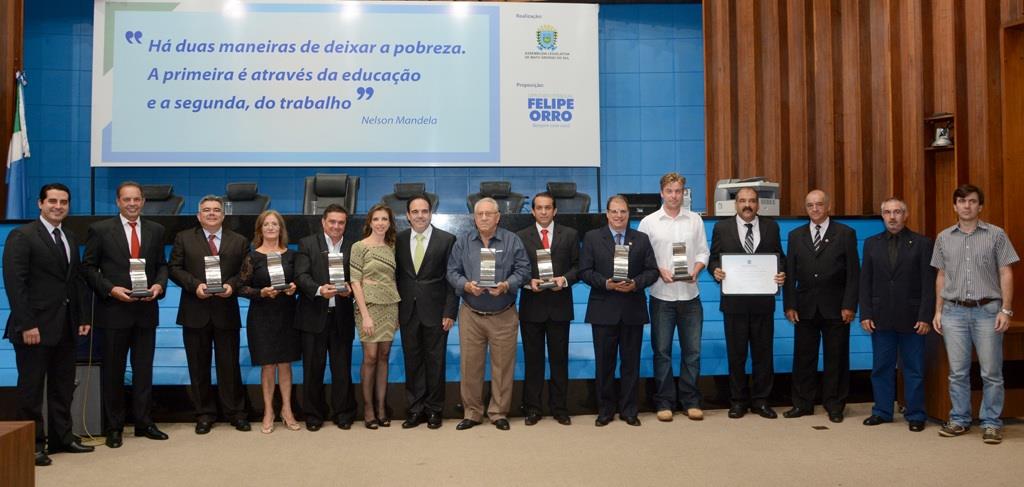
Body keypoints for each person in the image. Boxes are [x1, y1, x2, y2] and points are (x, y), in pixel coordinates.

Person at [3, 183, 94, 466]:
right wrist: (26, 324)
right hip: (34, 328)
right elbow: (15, 284)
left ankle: (61, 437)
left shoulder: (68, 235)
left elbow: (75, 281)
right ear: (40, 204)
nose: (58, 206)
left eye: (64, 202)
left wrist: (82, 318)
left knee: (62, 387)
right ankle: (31, 444)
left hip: (65, 326)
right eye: (52, 201)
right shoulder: (22, 235)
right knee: (30, 390)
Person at [82, 181, 169, 447]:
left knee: (144, 370)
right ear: (118, 202)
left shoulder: (156, 230)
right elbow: (88, 268)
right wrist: (110, 290)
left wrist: (159, 285)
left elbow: (161, 266)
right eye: (126, 199)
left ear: (143, 201)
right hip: (113, 312)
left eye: (136, 199)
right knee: (113, 371)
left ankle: (144, 423)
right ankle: (114, 427)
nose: (132, 204)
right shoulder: (100, 230)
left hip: (145, 312)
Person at [932, 184, 1019, 444]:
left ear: (980, 206)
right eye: (961, 201)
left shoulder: (996, 235)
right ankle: (959, 419)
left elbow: (1006, 272)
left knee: (991, 372)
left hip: (988, 311)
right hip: (953, 313)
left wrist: (1006, 309)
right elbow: (941, 275)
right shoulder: (944, 237)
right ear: (954, 206)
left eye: (971, 201)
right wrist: (938, 311)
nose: (966, 206)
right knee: (957, 372)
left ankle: (991, 423)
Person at [446, 197, 530, 431]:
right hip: (471, 313)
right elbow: (452, 271)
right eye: (479, 214)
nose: (484, 218)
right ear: (474, 217)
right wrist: (465, 285)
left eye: (488, 214)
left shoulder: (512, 241)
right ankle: (472, 413)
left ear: (497, 217)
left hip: (503, 313)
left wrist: (507, 284)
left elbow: (524, 270)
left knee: (503, 367)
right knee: (470, 366)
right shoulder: (463, 242)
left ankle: (498, 412)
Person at [168, 195, 250, 434]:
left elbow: (246, 273)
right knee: (198, 366)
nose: (212, 213)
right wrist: (195, 285)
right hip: (195, 310)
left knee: (229, 366)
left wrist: (232, 286)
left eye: (216, 210)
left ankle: (236, 412)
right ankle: (204, 414)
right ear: (198, 215)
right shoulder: (184, 238)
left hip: (226, 311)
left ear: (224, 215)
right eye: (206, 210)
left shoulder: (239, 240)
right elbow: (174, 268)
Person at [579, 195, 659, 427]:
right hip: (603, 309)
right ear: (607, 213)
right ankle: (605, 410)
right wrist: (606, 283)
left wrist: (636, 283)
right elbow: (585, 270)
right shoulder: (593, 238)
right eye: (614, 211)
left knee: (630, 363)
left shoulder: (641, 239)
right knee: (604, 363)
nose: (618, 215)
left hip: (632, 309)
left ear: (629, 214)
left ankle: (629, 410)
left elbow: (652, 271)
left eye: (623, 211)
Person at [637, 173, 709, 422]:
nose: (674, 196)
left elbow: (703, 252)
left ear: (684, 192)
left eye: (678, 191)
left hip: (690, 295)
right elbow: (642, 258)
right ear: (661, 192)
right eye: (670, 191)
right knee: (662, 352)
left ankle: (690, 401)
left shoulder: (695, 220)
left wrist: (697, 270)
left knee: (693, 352)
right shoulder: (648, 222)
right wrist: (659, 270)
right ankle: (664, 402)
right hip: (661, 296)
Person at [709, 187, 786, 419]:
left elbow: (779, 256)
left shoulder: (772, 227)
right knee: (737, 354)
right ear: (736, 204)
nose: (747, 205)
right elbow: (714, 257)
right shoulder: (721, 228)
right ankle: (738, 401)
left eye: (752, 201)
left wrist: (781, 272)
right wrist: (716, 270)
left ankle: (761, 401)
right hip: (734, 303)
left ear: (758, 204)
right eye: (743, 201)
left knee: (763, 354)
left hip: (763, 302)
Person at [783, 189, 859, 423]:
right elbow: (790, 272)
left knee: (836, 358)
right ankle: (802, 404)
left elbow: (853, 274)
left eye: (819, 205)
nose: (815, 209)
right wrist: (790, 304)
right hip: (804, 307)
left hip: (836, 308)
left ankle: (834, 405)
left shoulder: (845, 233)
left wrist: (849, 305)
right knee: (803, 358)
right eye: (810, 205)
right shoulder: (796, 236)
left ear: (828, 206)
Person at [859, 198, 935, 432]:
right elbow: (865, 282)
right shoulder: (872, 243)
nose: (892, 217)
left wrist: (925, 316)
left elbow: (928, 283)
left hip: (913, 318)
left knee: (913, 368)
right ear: (882, 216)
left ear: (906, 214)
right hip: (880, 317)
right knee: (881, 367)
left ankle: (915, 414)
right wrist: (866, 313)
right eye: (887, 212)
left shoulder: (922, 243)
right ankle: (882, 411)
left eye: (897, 212)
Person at [516, 192, 579, 426]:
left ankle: (559, 408)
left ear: (555, 211)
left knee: (559, 360)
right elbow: (517, 268)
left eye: (548, 207)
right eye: (539, 208)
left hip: (560, 305)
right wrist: (527, 281)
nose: (543, 211)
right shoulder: (520, 236)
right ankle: (532, 408)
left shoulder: (570, 235)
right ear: (532, 211)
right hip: (532, 306)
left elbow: (578, 266)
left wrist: (565, 279)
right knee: (533, 361)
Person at [396, 195, 458, 430]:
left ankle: (434, 410)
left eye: (424, 211)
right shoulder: (399, 240)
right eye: (415, 211)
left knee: (435, 362)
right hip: (407, 312)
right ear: (408, 215)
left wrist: (450, 311)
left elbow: (451, 279)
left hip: (436, 312)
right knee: (412, 362)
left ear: (431, 213)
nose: (420, 215)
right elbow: (397, 277)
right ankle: (415, 409)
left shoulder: (447, 239)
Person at [294, 204, 358, 431]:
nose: (336, 226)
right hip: (313, 316)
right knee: (313, 368)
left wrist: (350, 287)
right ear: (323, 222)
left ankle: (343, 413)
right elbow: (300, 275)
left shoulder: (353, 246)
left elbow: (357, 277)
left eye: (341, 222)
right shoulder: (307, 244)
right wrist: (320, 289)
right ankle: (313, 414)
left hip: (342, 316)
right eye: (332, 221)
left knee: (342, 369)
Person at [237, 210, 302, 434]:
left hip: (287, 315)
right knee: (267, 365)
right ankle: (268, 412)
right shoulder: (252, 257)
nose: (271, 228)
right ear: (260, 230)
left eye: (275, 224)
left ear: (281, 229)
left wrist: (295, 287)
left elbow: (301, 281)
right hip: (262, 316)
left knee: (285, 364)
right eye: (267, 224)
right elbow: (241, 287)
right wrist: (261, 292)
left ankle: (287, 410)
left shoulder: (292, 255)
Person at [350, 204, 402, 429]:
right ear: (369, 222)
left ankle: (382, 407)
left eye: (385, 219)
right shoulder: (359, 247)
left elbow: (394, 278)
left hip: (390, 306)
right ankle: (368, 408)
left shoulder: (392, 246)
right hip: (368, 307)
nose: (381, 223)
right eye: (376, 219)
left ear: (390, 223)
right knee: (370, 356)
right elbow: (355, 281)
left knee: (384, 355)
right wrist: (366, 314)